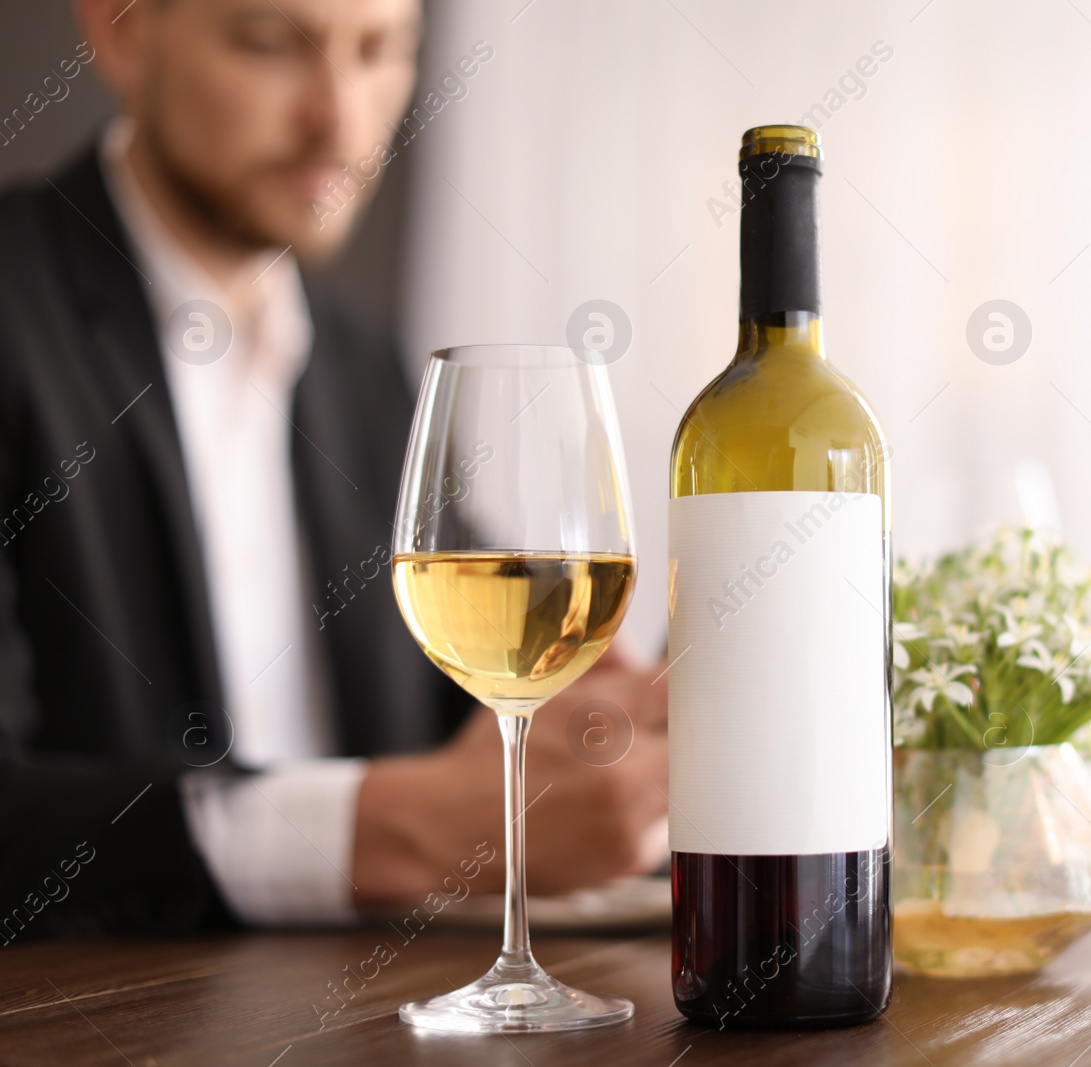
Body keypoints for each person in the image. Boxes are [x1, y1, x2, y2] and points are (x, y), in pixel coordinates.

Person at [0, 0, 668, 940]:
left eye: (380, 51)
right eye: (274, 44)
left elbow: (473, 689)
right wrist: (393, 831)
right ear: (122, 30)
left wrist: (609, 729)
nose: (344, 120)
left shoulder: (363, 365)